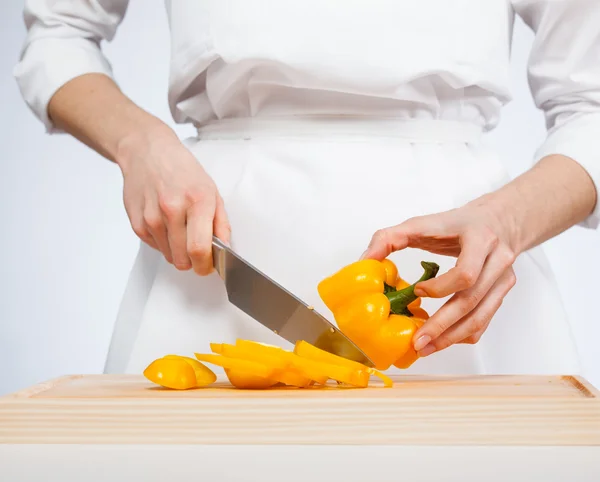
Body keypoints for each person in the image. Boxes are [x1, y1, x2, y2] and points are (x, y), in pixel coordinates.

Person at [14, 1, 599, 377]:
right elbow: (58, 33)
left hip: (461, 283)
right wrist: (139, 143)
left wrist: (510, 220)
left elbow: (591, 106)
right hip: (215, 246)